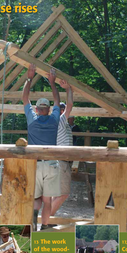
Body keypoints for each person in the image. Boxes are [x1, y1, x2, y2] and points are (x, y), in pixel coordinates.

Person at [23, 63, 61, 231]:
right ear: (49, 109)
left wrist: (29, 78)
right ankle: (44, 226)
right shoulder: (54, 120)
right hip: (52, 164)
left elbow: (24, 98)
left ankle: (33, 214)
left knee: (35, 197)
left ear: (37, 109)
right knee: (48, 200)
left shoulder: (32, 119)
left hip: (36, 164)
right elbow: (58, 100)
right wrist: (52, 82)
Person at [51, 80, 75, 216]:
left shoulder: (59, 122)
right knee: (64, 194)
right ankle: (46, 219)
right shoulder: (60, 120)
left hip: (60, 161)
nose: (66, 110)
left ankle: (48, 219)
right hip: (62, 162)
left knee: (57, 193)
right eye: (63, 108)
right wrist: (68, 88)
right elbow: (70, 105)